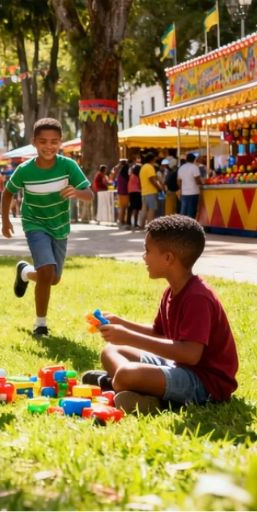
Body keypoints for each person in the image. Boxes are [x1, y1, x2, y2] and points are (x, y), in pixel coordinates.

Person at [83, 215, 238, 414]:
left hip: (205, 382)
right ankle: (132, 388)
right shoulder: (172, 290)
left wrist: (129, 337)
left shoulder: (198, 297)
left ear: (168, 258)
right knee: (111, 350)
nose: (143, 256)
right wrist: (121, 322)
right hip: (178, 366)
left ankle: (135, 390)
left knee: (126, 374)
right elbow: (159, 333)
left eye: (147, 251)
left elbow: (190, 354)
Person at [3, 117, 93, 336]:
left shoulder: (68, 166)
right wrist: (5, 220)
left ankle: (24, 272)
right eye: (43, 141)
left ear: (60, 142)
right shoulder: (25, 170)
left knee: (53, 278)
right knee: (46, 271)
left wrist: (77, 192)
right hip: (34, 223)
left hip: (59, 226)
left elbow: (89, 195)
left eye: (54, 141)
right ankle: (40, 324)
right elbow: (8, 192)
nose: (48, 146)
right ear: (34, 142)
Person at [139, 152, 165, 226]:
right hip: (151, 192)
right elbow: (152, 179)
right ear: (152, 159)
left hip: (144, 192)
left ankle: (141, 225)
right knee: (151, 209)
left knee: (144, 209)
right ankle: (149, 226)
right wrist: (159, 188)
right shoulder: (150, 167)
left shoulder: (143, 167)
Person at [177, 153, 203, 219]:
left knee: (183, 212)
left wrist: (181, 189)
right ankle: (190, 227)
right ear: (194, 159)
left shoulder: (181, 168)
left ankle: (182, 226)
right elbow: (197, 180)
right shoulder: (194, 167)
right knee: (191, 212)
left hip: (184, 193)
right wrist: (202, 183)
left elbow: (178, 181)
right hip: (193, 192)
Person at [113, 159, 130, 228]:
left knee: (122, 207)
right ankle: (121, 221)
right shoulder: (125, 173)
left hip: (120, 192)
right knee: (123, 207)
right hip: (124, 192)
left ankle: (121, 221)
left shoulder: (120, 173)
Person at [128, 163, 143, 230]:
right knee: (136, 208)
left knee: (132, 207)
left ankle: (130, 222)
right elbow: (139, 185)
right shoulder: (137, 177)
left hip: (131, 192)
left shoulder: (131, 176)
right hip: (137, 192)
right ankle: (135, 223)